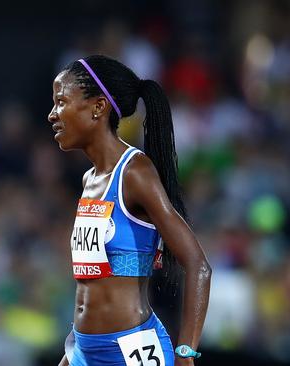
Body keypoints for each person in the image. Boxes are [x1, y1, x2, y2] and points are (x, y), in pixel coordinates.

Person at [48, 55, 211, 366]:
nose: (52, 114)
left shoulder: (134, 172)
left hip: (131, 352)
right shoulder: (89, 180)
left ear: (98, 107)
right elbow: (92, 278)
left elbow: (198, 265)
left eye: (60, 101)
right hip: (83, 350)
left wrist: (186, 353)